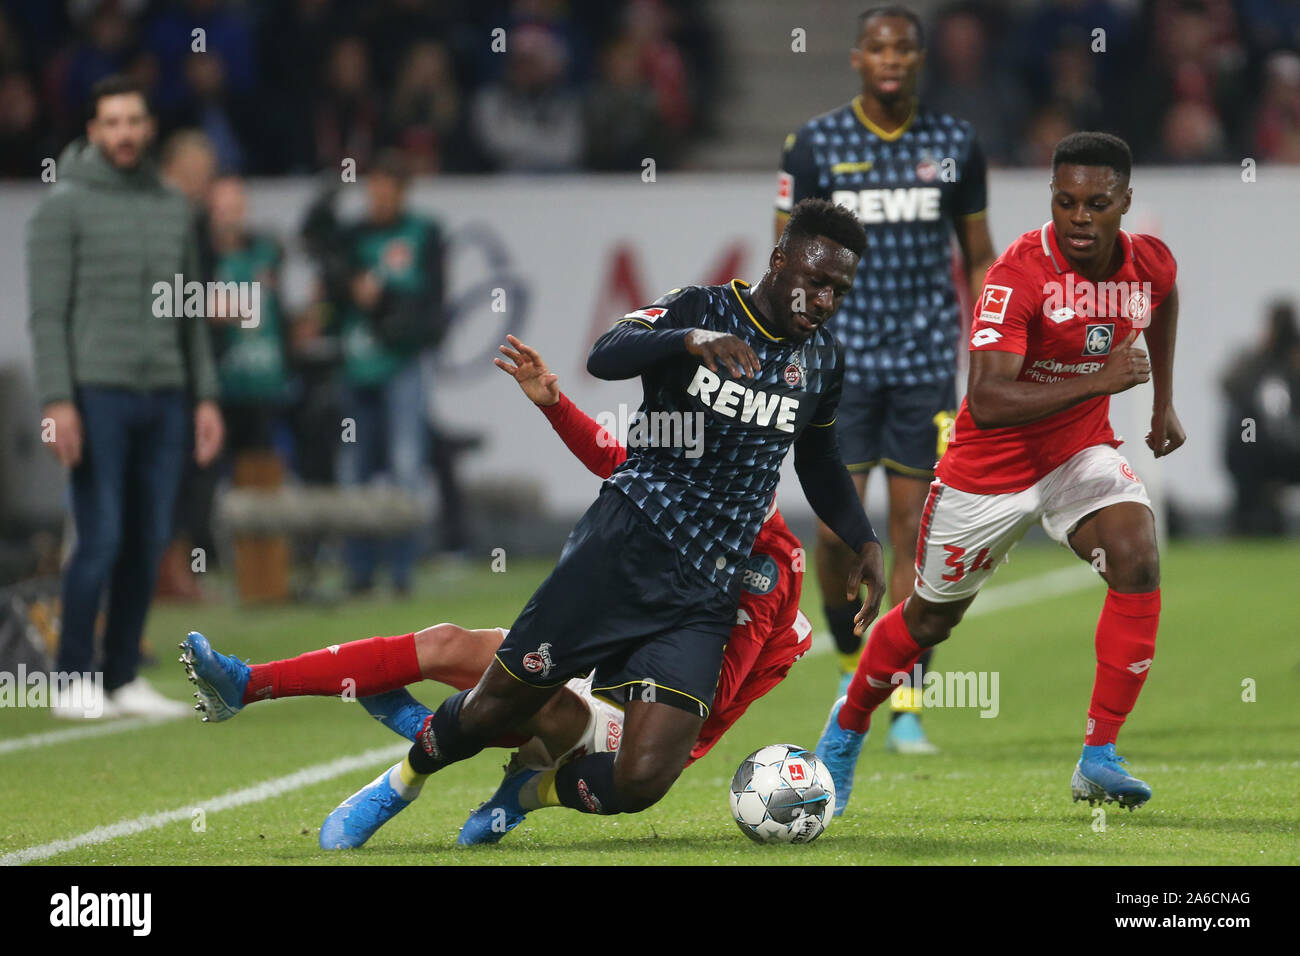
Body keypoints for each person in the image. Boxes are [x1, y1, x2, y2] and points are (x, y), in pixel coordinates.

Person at [310, 198, 886, 846]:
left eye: (838, 288)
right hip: (623, 548)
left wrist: (862, 538)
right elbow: (606, 354)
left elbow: (819, 456)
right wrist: (686, 342)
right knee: (501, 702)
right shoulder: (704, 309)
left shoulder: (822, 362)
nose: (824, 299)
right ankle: (400, 784)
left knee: (644, 778)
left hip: (705, 590)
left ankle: (535, 788)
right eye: (814, 279)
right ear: (780, 259)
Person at [180, 335, 817, 847]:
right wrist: (552, 403)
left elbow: (708, 689)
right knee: (448, 645)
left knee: (526, 699)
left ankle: (430, 765)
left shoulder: (769, 567)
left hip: (644, 722)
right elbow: (616, 462)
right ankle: (247, 684)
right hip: (596, 666)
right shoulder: (694, 484)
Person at [816, 132, 1183, 815]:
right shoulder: (1019, 274)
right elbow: (987, 400)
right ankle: (848, 724)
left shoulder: (1149, 263)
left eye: (1096, 203)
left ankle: (1098, 757)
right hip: (987, 473)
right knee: (928, 620)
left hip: (1078, 455)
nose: (1079, 217)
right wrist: (1105, 376)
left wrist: (1162, 403)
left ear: (1123, 203)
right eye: (1065, 201)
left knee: (1136, 556)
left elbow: (1162, 304)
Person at [777, 6, 996, 753]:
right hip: (837, 363)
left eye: (904, 47)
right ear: (857, 59)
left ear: (920, 57)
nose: (892, 59)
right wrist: (783, 339)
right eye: (878, 47)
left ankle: (902, 696)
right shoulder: (815, 144)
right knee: (840, 530)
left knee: (915, 530)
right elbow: (789, 255)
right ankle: (850, 668)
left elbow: (980, 254)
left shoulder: (955, 142)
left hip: (925, 360)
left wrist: (995, 340)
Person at [27, 75, 224, 719]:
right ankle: (72, 679)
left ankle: (119, 678)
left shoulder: (171, 205)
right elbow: (46, 315)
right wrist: (58, 401)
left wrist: (206, 398)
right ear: (92, 131)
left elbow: (192, 311)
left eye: (134, 121)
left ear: (148, 129)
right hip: (95, 394)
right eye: (111, 122)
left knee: (149, 538)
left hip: (166, 394)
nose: (124, 133)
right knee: (100, 535)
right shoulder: (62, 207)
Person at [333, 149, 446, 595]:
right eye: (371, 189)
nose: (376, 198)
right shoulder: (349, 236)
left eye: (384, 189)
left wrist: (387, 307)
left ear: (402, 192)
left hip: (403, 362)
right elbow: (332, 287)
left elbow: (433, 301)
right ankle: (358, 572)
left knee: (405, 464)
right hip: (356, 360)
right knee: (354, 468)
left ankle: (402, 571)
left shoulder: (423, 233)